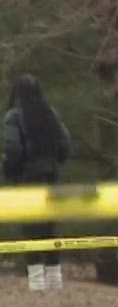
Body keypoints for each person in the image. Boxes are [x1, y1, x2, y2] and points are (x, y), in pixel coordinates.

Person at [2, 75, 72, 290]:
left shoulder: (14, 116)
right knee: (49, 226)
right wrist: (54, 164)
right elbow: (66, 144)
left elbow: (13, 150)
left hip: (27, 178)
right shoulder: (51, 113)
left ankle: (37, 282)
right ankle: (55, 279)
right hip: (50, 176)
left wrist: (8, 170)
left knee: (30, 228)